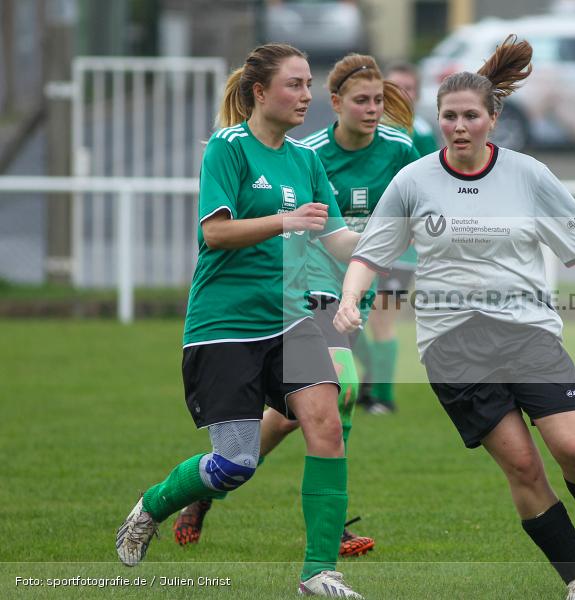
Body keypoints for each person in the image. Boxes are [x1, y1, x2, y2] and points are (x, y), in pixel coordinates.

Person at [333, 36, 575, 600]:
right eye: (449, 116)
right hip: (451, 346)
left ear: (493, 118)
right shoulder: (413, 181)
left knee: (572, 449)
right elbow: (370, 254)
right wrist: (350, 299)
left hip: (527, 332)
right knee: (521, 466)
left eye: (470, 116)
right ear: (438, 119)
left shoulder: (528, 174)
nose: (459, 126)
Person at [114, 43, 365, 599]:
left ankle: (319, 572)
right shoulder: (228, 149)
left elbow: (338, 239)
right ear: (259, 92)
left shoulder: (306, 160)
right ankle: (152, 506)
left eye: (308, 84)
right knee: (236, 462)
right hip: (224, 326)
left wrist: (398, 239)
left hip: (293, 320)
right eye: (294, 84)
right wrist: (284, 220)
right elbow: (215, 233)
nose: (306, 95)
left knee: (326, 424)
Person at [172, 53, 419, 558]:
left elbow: (359, 232)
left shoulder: (398, 149)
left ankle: (212, 488)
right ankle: (331, 526)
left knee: (289, 418)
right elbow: (222, 232)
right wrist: (290, 222)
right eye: (361, 100)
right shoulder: (298, 149)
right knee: (341, 388)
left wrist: (415, 238)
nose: (372, 109)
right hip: (307, 289)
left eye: (378, 100)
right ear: (338, 104)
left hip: (352, 285)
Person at [354, 62, 439, 415]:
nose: (402, 93)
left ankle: (382, 398)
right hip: (360, 242)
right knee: (346, 319)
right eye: (395, 87)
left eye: (409, 87)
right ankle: (372, 378)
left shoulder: (419, 133)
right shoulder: (368, 131)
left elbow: (430, 187)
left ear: (417, 93)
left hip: (401, 245)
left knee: (382, 317)